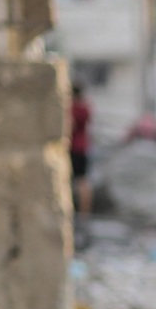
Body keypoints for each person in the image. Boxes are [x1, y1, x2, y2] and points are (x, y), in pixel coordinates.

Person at [68, 81, 93, 217]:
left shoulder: (73, 108)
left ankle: (74, 212)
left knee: (71, 181)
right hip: (84, 148)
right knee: (83, 181)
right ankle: (85, 213)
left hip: (74, 148)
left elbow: (70, 127)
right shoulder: (86, 107)